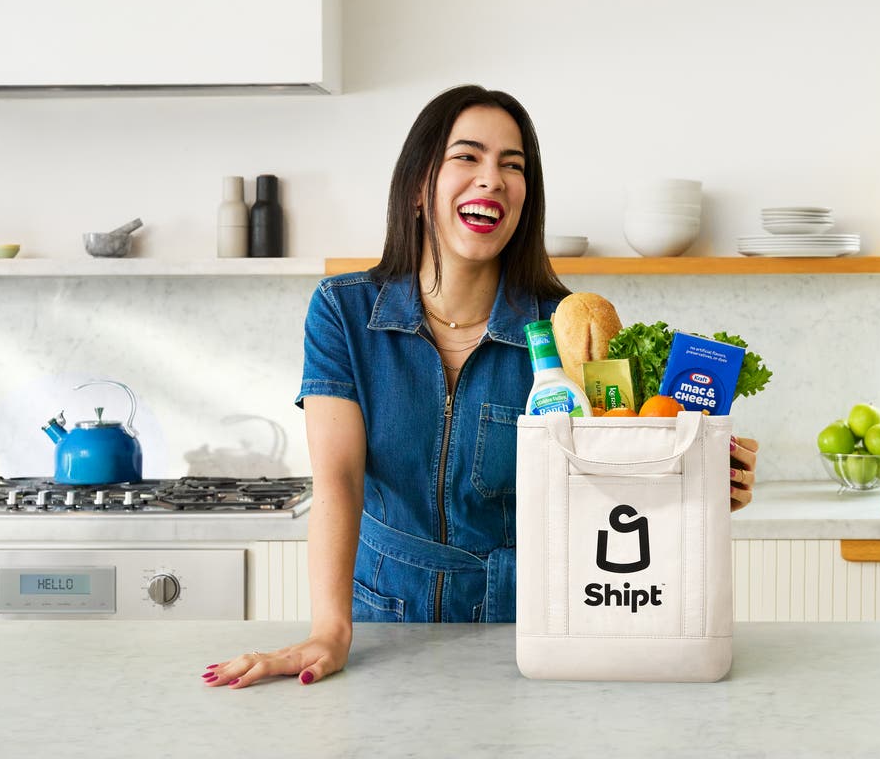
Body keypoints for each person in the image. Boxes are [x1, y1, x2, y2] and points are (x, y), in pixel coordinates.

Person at [200, 85, 758, 690]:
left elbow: (598, 492)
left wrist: (687, 478)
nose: (492, 178)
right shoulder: (343, 312)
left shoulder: (567, 328)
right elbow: (338, 478)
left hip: (531, 627)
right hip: (384, 623)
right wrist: (329, 632)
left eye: (512, 166)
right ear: (419, 186)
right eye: (467, 157)